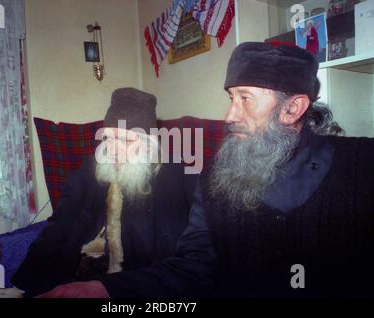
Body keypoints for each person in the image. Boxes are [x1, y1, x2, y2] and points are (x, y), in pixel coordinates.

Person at [37, 41, 374, 298]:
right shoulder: (216, 177)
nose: (229, 115)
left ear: (293, 108)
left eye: (245, 98)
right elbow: (194, 267)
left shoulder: (362, 165)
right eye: (231, 97)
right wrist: (107, 291)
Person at [12, 87, 199, 297]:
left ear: (149, 145)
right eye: (109, 138)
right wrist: (26, 282)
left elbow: (180, 260)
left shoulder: (178, 178)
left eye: (127, 140)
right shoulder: (91, 169)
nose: (114, 149)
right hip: (83, 267)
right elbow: (60, 224)